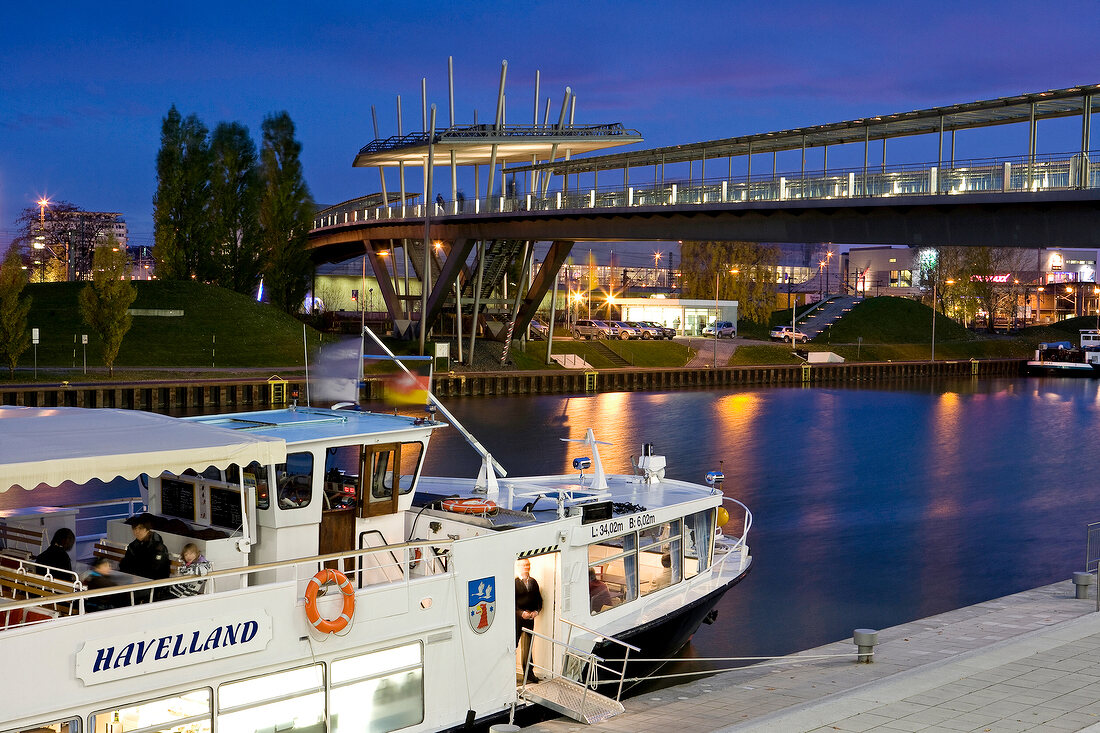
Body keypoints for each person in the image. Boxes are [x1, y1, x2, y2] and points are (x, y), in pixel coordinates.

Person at [119, 515, 170, 599]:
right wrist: (132, 575)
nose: (137, 531)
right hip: (135, 580)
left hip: (154, 584)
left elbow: (156, 569)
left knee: (123, 595)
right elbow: (124, 564)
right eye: (134, 529)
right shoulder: (133, 546)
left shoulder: (158, 547)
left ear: (147, 530)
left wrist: (135, 574)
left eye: (140, 528)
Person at [514, 558, 542, 683]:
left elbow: (539, 600)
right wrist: (521, 613)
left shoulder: (533, 582)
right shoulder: (514, 583)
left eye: (528, 564)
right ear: (519, 567)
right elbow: (511, 602)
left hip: (530, 619)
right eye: (524, 565)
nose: (527, 567)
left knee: (528, 647)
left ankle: (529, 674)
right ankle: (509, 674)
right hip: (517, 619)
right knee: (513, 645)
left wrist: (537, 611)